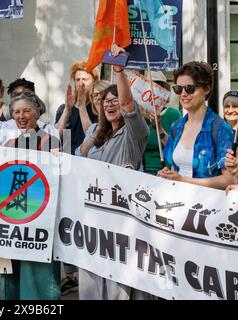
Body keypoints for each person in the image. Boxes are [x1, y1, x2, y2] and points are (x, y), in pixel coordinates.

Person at [76, 44, 149, 300]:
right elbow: (80, 159)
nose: (110, 104)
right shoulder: (98, 135)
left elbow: (129, 105)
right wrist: (97, 130)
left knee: (119, 288)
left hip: (122, 222)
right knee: (93, 286)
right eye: (105, 102)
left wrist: (119, 71)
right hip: (94, 221)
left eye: (114, 100)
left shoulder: (134, 133)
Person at [0, 91, 61, 300]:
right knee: (14, 275)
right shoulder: (8, 145)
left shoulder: (51, 141)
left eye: (26, 111)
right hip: (14, 219)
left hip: (40, 219)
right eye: (16, 112)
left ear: (37, 114)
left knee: (39, 276)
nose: (21, 116)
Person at [158, 61, 234, 189]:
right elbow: (174, 168)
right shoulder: (176, 127)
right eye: (178, 89)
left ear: (207, 88)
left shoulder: (221, 129)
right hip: (176, 202)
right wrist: (167, 175)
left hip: (207, 206)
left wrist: (183, 180)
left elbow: (229, 180)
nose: (183, 94)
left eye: (190, 88)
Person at [0, 78, 58, 146]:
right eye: (16, 96)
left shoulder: (49, 131)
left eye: (26, 95)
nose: (21, 116)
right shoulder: (2, 132)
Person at [142, 71, 182, 175]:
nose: (153, 91)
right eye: (149, 86)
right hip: (139, 173)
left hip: (164, 172)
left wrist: (158, 127)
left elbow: (176, 147)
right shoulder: (139, 117)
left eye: (157, 86)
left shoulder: (174, 115)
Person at [55, 61, 99, 154]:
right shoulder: (63, 108)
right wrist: (67, 109)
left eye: (85, 79)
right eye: (77, 79)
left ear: (94, 81)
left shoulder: (98, 109)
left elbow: (92, 136)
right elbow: (56, 135)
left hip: (88, 160)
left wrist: (82, 107)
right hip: (66, 160)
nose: (81, 83)